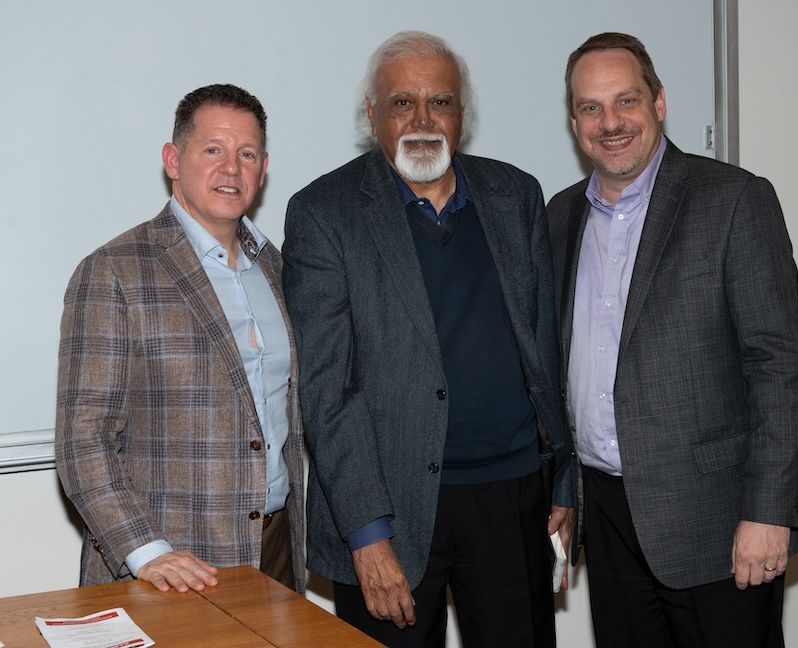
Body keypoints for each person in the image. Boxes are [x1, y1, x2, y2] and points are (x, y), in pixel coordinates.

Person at [282, 31, 574, 647]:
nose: (422, 120)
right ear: (372, 114)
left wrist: (563, 482)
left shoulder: (515, 195)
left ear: (461, 115)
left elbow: (547, 350)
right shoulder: (323, 213)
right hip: (392, 510)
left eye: (440, 102)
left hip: (513, 499)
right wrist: (366, 533)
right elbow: (327, 391)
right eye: (400, 103)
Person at [547, 32, 798, 647]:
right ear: (574, 122)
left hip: (717, 524)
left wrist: (768, 511)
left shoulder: (734, 201)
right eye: (591, 108)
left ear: (659, 102)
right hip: (607, 519)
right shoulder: (560, 217)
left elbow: (780, 368)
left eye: (626, 101)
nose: (610, 122)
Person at [55, 84, 305, 594]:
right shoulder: (113, 272)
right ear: (173, 159)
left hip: (277, 546)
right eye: (213, 149)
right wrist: (147, 553)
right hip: (171, 565)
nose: (231, 169)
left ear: (263, 168)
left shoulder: (277, 267)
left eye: (247, 154)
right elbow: (84, 440)